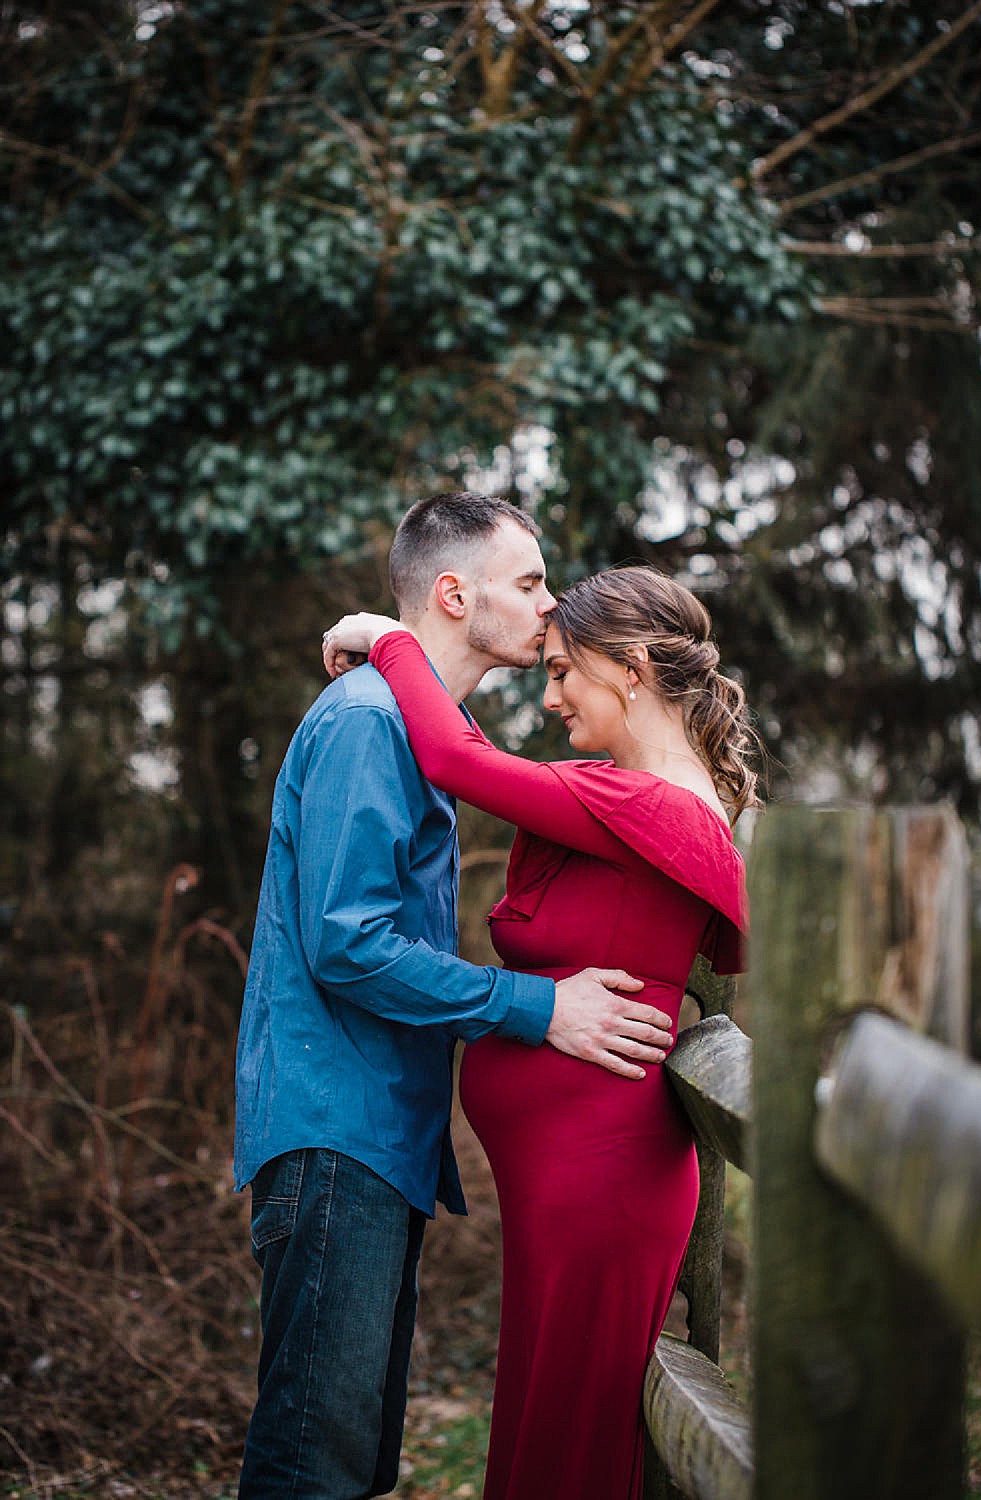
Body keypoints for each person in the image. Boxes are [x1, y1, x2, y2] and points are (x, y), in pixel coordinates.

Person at [233, 493, 678, 1500]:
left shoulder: (421, 726)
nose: (548, 603)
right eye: (528, 583)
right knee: (315, 1464)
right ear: (452, 593)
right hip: (333, 1134)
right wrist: (540, 1007)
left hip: (375, 1141)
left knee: (353, 1458)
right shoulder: (364, 722)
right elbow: (347, 946)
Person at [322, 564, 753, 1500]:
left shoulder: (657, 804)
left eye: (563, 672)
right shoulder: (624, 794)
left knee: (569, 1448)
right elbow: (491, 765)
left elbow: (458, 762)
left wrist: (389, 637)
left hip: (602, 1181)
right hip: (568, 1182)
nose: (550, 695)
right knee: (543, 1432)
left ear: (632, 669)